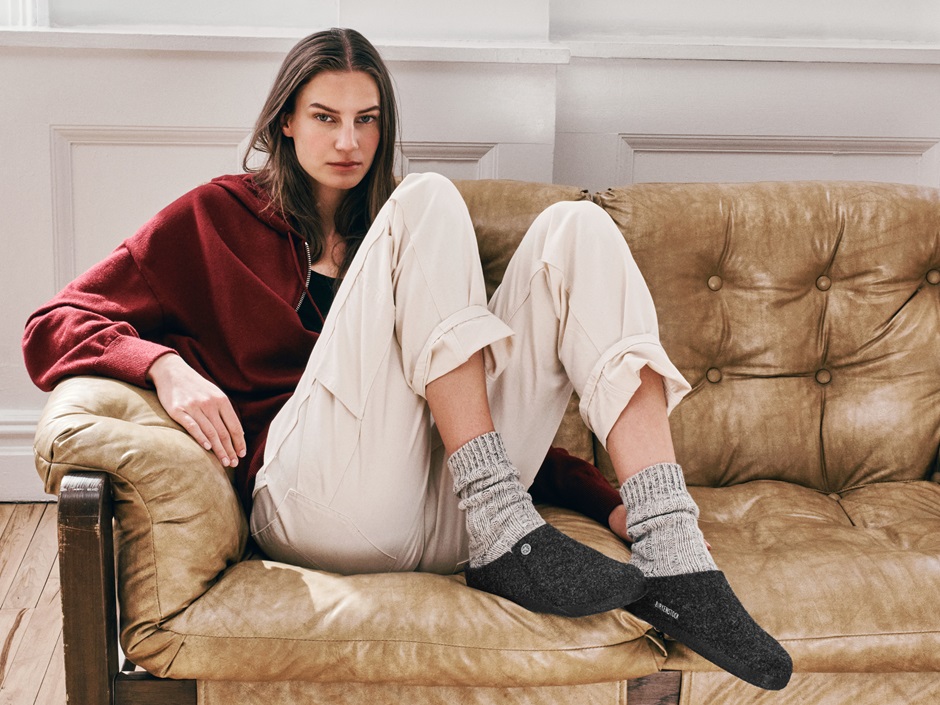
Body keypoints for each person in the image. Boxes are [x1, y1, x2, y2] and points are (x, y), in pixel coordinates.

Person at [23, 28, 790, 690]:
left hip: (446, 513)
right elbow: (53, 323)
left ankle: (673, 549)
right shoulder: (217, 218)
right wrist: (164, 367)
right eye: (325, 118)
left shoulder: (397, 236)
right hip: (313, 506)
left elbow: (465, 405)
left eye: (367, 120)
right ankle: (504, 525)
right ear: (285, 121)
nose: (349, 142)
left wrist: (608, 502)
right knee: (425, 198)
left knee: (578, 230)